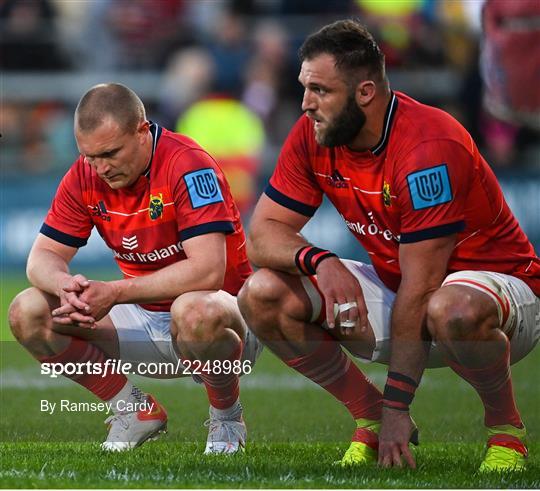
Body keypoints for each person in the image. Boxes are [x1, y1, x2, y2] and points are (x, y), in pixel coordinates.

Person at [238, 19, 540, 472]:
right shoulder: (314, 134)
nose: (305, 104)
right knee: (262, 294)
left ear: (364, 93)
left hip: (500, 299)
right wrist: (319, 260)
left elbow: (423, 287)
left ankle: (507, 433)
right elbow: (262, 234)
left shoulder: (427, 146)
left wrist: (402, 405)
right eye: (304, 88)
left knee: (448, 308)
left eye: (320, 90)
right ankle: (369, 415)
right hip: (408, 291)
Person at [8, 83, 261, 453]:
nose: (101, 167)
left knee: (194, 310)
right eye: (90, 156)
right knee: (28, 310)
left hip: (224, 322)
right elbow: (42, 257)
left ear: (142, 131)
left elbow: (208, 272)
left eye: (110, 153)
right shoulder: (86, 173)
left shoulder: (187, 164)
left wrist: (115, 292)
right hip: (146, 319)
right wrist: (64, 285)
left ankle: (226, 418)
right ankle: (132, 411)